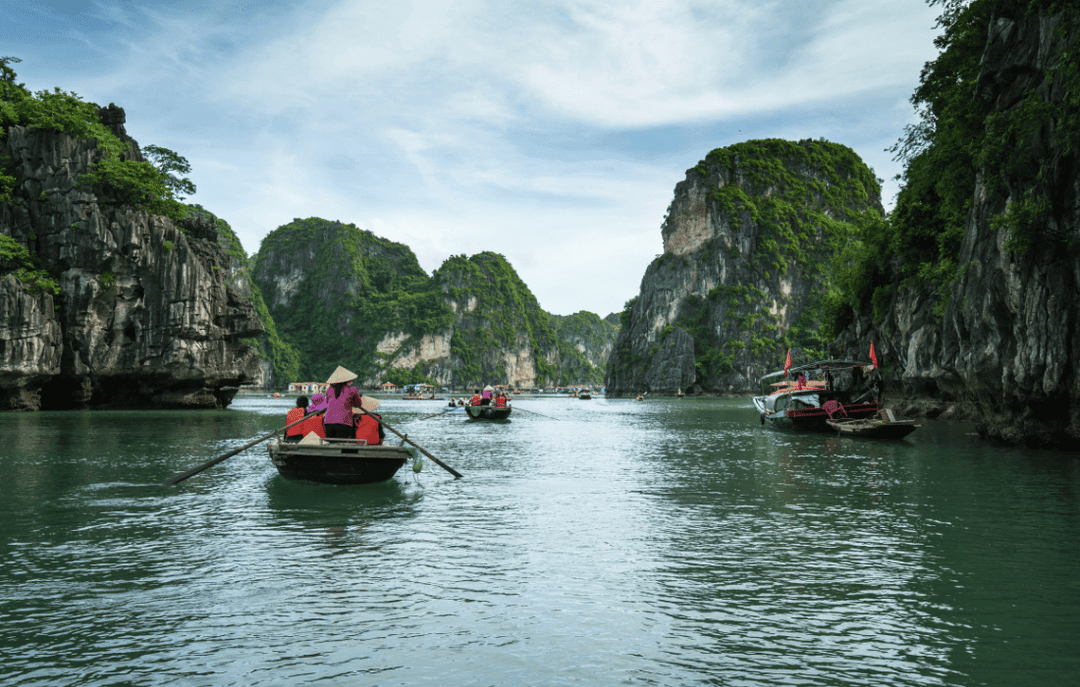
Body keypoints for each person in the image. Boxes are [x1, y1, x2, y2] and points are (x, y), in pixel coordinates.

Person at [322, 366, 366, 439]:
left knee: (332, 445)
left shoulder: (330, 389)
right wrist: (351, 403)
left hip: (328, 422)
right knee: (341, 444)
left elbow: (328, 402)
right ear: (347, 379)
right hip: (344, 422)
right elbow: (358, 404)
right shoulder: (352, 389)